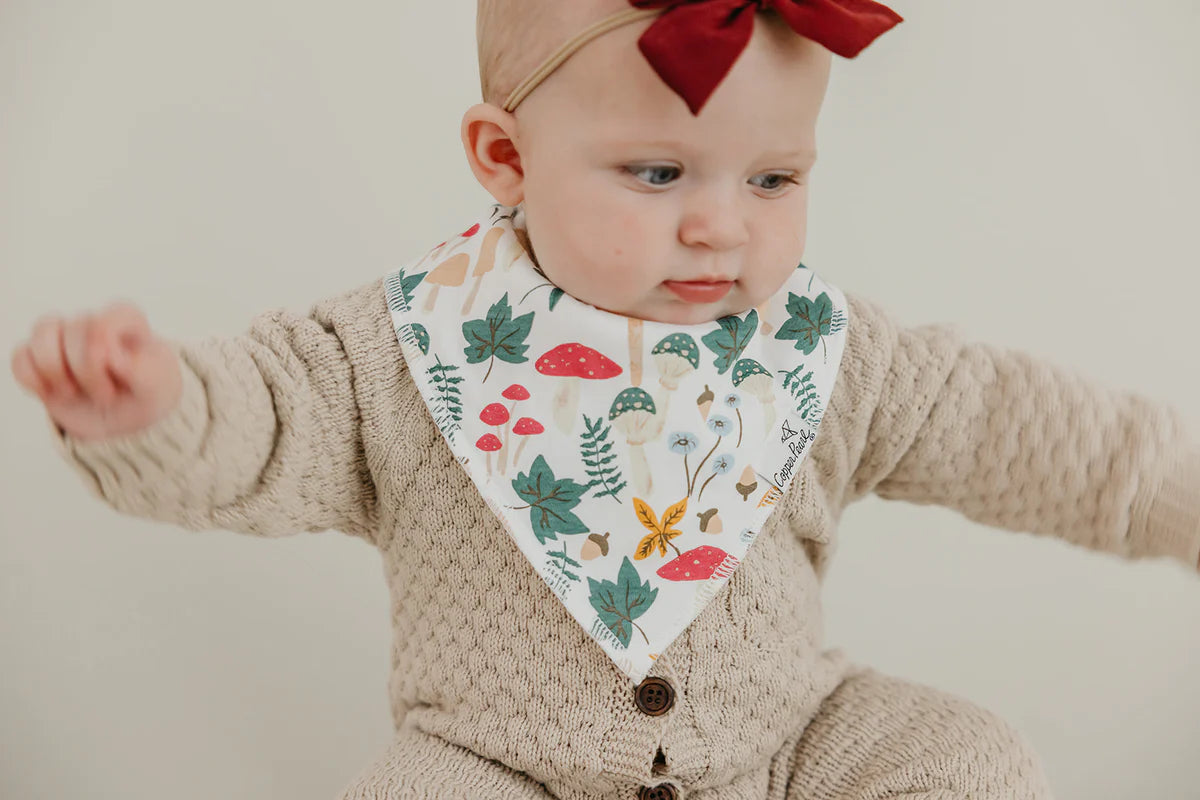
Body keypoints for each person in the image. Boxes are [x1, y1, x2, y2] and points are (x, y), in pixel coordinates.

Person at [10, 2, 1199, 798]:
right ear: (505, 157)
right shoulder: (399, 346)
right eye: (658, 171)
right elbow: (261, 420)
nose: (722, 221)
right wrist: (155, 404)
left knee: (968, 762)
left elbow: (1028, 430)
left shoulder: (823, 352)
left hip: (782, 743)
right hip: (492, 760)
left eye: (774, 176)